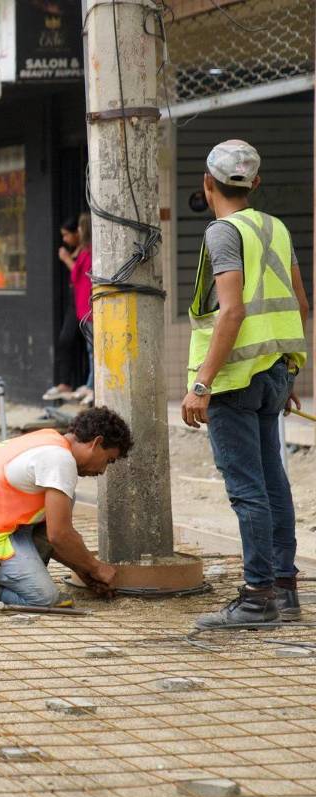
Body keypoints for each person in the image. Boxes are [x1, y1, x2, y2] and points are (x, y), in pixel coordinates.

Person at [181, 139, 309, 629]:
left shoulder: (223, 233)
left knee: (248, 489)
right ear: (254, 184)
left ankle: (257, 599)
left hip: (235, 378)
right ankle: (284, 590)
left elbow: (231, 310)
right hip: (274, 372)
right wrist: (287, 368)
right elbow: (300, 304)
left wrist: (202, 382)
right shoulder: (275, 228)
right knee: (273, 482)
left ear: (207, 183)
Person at [0, 407, 133, 607]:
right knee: (43, 598)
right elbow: (59, 535)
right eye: (108, 460)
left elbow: (51, 536)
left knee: (67, 499)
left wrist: (83, 570)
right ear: (96, 443)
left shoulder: (46, 440)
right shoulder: (60, 460)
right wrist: (96, 568)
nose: (103, 470)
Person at [44, 217, 86, 402]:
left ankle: (86, 385)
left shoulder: (85, 252)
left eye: (67, 235)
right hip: (74, 301)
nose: (65, 240)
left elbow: (80, 275)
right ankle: (67, 382)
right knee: (66, 341)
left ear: (79, 233)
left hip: (83, 301)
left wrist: (67, 259)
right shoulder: (77, 250)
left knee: (84, 345)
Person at [68, 214, 94, 406]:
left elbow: (76, 273)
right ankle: (89, 384)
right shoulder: (85, 251)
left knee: (93, 351)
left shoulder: (90, 252)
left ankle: (92, 386)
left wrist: (65, 258)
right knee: (90, 350)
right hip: (84, 309)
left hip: (89, 309)